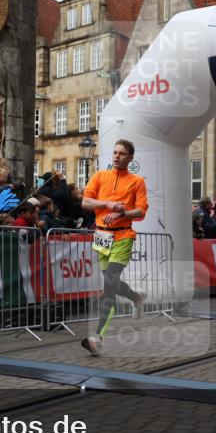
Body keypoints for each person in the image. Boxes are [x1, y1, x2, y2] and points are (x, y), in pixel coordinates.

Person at [80, 139, 148, 356]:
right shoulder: (100, 176)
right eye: (115, 152)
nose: (116, 156)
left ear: (130, 158)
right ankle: (136, 297)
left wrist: (121, 213)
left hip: (123, 236)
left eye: (122, 153)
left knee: (109, 283)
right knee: (113, 282)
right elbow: (85, 202)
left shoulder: (137, 181)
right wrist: (107, 204)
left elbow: (141, 211)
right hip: (101, 235)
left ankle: (97, 337)